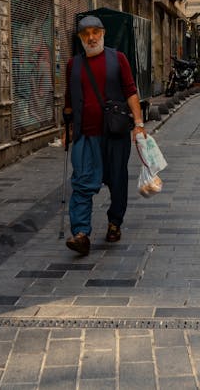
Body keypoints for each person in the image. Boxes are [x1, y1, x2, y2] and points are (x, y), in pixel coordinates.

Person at [63, 15, 146, 256]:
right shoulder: (73, 65)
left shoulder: (117, 59)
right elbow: (69, 100)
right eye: (86, 34)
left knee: (117, 179)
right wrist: (67, 130)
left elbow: (131, 92)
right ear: (80, 38)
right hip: (85, 136)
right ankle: (81, 233)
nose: (91, 37)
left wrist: (139, 123)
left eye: (95, 32)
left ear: (103, 33)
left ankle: (114, 222)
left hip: (115, 133)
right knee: (81, 182)